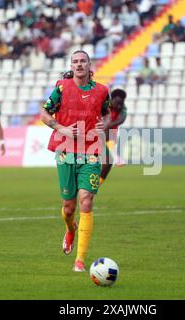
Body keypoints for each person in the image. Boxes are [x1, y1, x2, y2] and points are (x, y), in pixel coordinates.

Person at [40, 50, 110, 272]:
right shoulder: (62, 87)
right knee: (69, 208)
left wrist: (105, 124)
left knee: (86, 201)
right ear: (72, 65)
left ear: (90, 65)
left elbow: (108, 114)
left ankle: (80, 260)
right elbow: (44, 114)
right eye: (75, 62)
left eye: (83, 61)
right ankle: (70, 230)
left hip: (91, 151)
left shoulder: (102, 91)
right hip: (65, 152)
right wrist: (61, 128)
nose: (79, 65)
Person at [99, 89, 127, 186]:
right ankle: (116, 156)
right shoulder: (104, 104)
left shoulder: (122, 108)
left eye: (121, 103)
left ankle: (95, 186)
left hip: (111, 134)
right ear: (112, 99)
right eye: (117, 103)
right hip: (96, 132)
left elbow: (121, 119)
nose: (118, 105)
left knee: (108, 164)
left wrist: (109, 125)